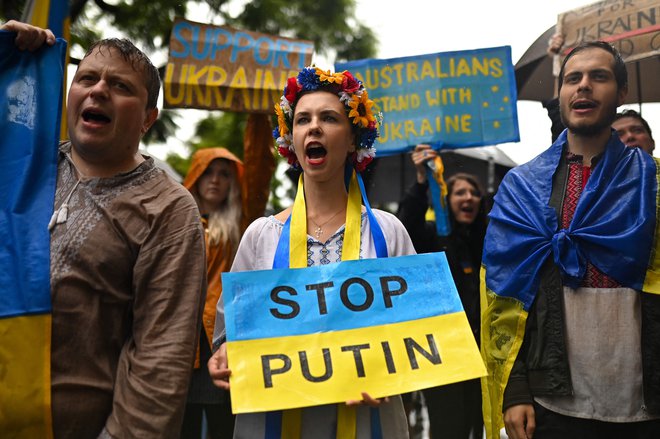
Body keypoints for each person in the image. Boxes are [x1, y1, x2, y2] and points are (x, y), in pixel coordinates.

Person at [2, 21, 207, 438]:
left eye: (121, 86)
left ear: (149, 118)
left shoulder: (168, 209)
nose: (98, 90)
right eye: (87, 78)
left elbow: (160, 362)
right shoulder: (18, 167)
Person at [207, 66, 417, 438]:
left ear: (353, 140)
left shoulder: (388, 232)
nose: (313, 127)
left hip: (369, 421)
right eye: (302, 119)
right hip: (274, 418)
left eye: (329, 118)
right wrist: (224, 356)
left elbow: (421, 327)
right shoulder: (261, 236)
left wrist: (392, 371)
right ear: (292, 139)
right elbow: (230, 331)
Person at [481, 40, 660, 439]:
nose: (583, 87)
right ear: (560, 93)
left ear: (623, 93)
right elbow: (503, 300)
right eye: (572, 79)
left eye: (599, 77)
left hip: (647, 403)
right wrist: (516, 389)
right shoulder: (521, 188)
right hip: (552, 403)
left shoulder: (655, 183)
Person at [181, 124, 275, 438]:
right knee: (182, 427)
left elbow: (260, 168)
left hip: (222, 339)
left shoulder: (241, 221)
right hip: (180, 341)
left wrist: (259, 118)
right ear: (196, 177)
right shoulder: (175, 219)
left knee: (225, 425)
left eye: (224, 173)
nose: (216, 180)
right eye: (208, 172)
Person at [397, 144, 486, 439]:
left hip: (481, 352)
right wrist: (422, 179)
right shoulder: (433, 238)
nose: (469, 198)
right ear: (447, 200)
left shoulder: (486, 241)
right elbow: (407, 224)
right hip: (443, 354)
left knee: (476, 425)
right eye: (460, 192)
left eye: (474, 193)